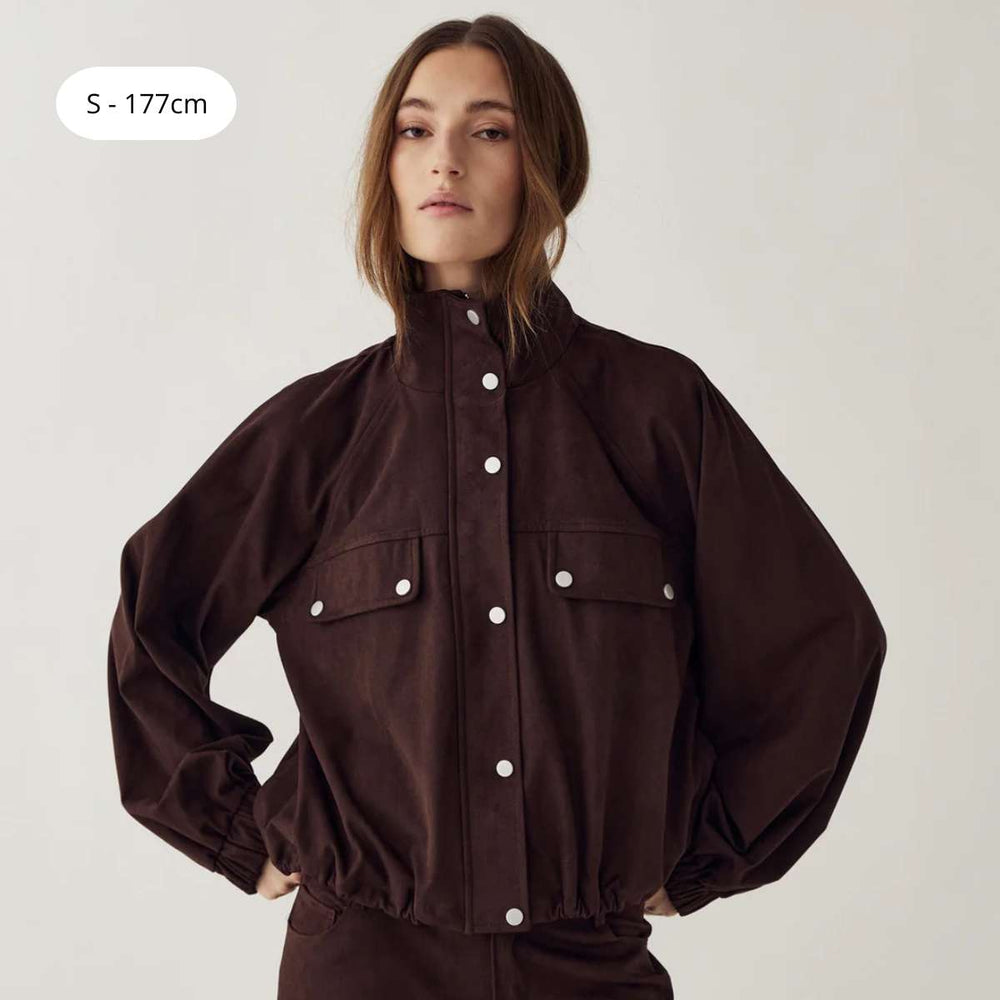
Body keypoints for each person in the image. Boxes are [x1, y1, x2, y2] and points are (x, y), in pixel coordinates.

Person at [107, 15, 887, 1000]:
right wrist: (233, 833)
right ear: (386, 169)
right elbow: (155, 617)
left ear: (545, 164)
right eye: (414, 130)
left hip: (587, 964)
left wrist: (708, 854)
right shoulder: (316, 432)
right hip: (359, 962)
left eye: (489, 130)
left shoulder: (656, 411)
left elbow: (819, 638)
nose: (445, 159)